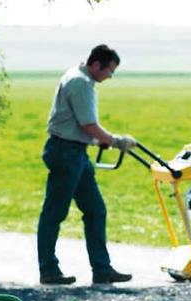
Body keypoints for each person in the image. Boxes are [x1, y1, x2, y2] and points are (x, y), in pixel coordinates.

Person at [36, 44, 136, 286]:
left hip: (76, 152)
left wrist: (96, 141)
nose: (110, 76)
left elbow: (79, 125)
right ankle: (48, 270)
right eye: (109, 70)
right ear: (96, 64)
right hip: (66, 153)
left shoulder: (78, 77)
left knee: (95, 210)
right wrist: (115, 141)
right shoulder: (80, 83)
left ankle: (102, 269)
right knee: (54, 213)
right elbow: (88, 124)